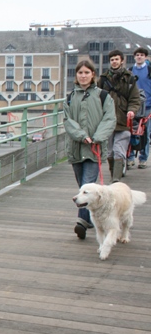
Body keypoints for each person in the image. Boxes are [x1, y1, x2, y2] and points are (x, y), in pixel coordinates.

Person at [63, 60, 116, 239]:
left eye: (87, 72)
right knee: (82, 187)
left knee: (88, 183)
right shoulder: (71, 97)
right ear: (76, 75)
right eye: (80, 73)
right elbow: (67, 120)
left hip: (95, 149)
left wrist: (97, 137)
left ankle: (82, 222)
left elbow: (109, 119)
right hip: (77, 148)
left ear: (93, 74)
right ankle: (91, 218)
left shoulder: (103, 96)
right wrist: (81, 135)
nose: (83, 76)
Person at [97, 49, 140, 182]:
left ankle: (116, 180)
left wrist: (132, 110)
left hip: (123, 120)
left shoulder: (130, 79)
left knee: (118, 150)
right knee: (109, 152)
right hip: (107, 120)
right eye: (112, 60)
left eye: (116, 59)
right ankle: (113, 176)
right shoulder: (103, 79)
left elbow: (134, 99)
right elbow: (97, 97)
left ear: (122, 60)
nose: (114, 62)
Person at [127, 47, 151, 169]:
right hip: (133, 105)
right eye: (137, 55)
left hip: (147, 106)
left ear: (145, 57)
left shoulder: (149, 70)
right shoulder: (130, 71)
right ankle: (130, 158)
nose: (139, 57)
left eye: (142, 55)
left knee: (145, 133)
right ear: (134, 56)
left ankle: (143, 158)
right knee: (130, 131)